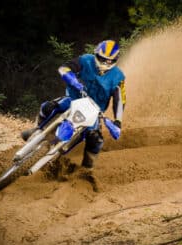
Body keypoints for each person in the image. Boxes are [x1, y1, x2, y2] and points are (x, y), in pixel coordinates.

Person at [21, 40, 126, 182]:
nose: (105, 63)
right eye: (102, 59)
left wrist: (118, 122)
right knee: (49, 106)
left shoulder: (118, 77)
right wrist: (71, 78)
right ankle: (36, 129)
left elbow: (120, 100)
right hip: (73, 99)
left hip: (94, 113)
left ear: (115, 60)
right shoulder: (85, 60)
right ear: (96, 54)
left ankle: (87, 169)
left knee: (96, 138)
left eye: (109, 61)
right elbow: (64, 68)